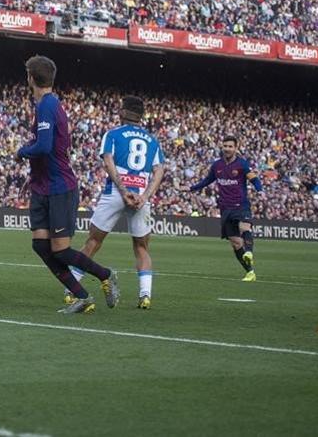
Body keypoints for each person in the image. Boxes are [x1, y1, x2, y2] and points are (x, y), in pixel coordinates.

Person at [16, 55, 118, 313]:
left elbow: (44, 146)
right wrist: (33, 175)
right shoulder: (44, 104)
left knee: (60, 251)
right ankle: (82, 296)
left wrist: (22, 151)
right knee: (40, 245)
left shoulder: (47, 105)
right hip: (42, 186)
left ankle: (105, 275)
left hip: (59, 187)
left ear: (31, 78)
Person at [71, 96, 165, 309]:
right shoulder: (152, 140)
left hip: (115, 192)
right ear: (141, 116)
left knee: (93, 241)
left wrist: (123, 190)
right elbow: (159, 170)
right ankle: (145, 296)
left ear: (123, 112)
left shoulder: (112, 134)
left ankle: (71, 289)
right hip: (141, 196)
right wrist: (145, 196)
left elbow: (108, 161)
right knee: (141, 247)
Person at [184, 135, 263, 281]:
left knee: (244, 227)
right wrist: (191, 188)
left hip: (240, 204)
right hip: (225, 207)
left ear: (236, 148)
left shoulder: (242, 164)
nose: (227, 149)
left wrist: (260, 190)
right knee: (235, 243)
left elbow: (254, 179)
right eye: (225, 146)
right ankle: (250, 272)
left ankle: (249, 252)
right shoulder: (217, 165)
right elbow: (207, 180)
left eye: (230, 146)